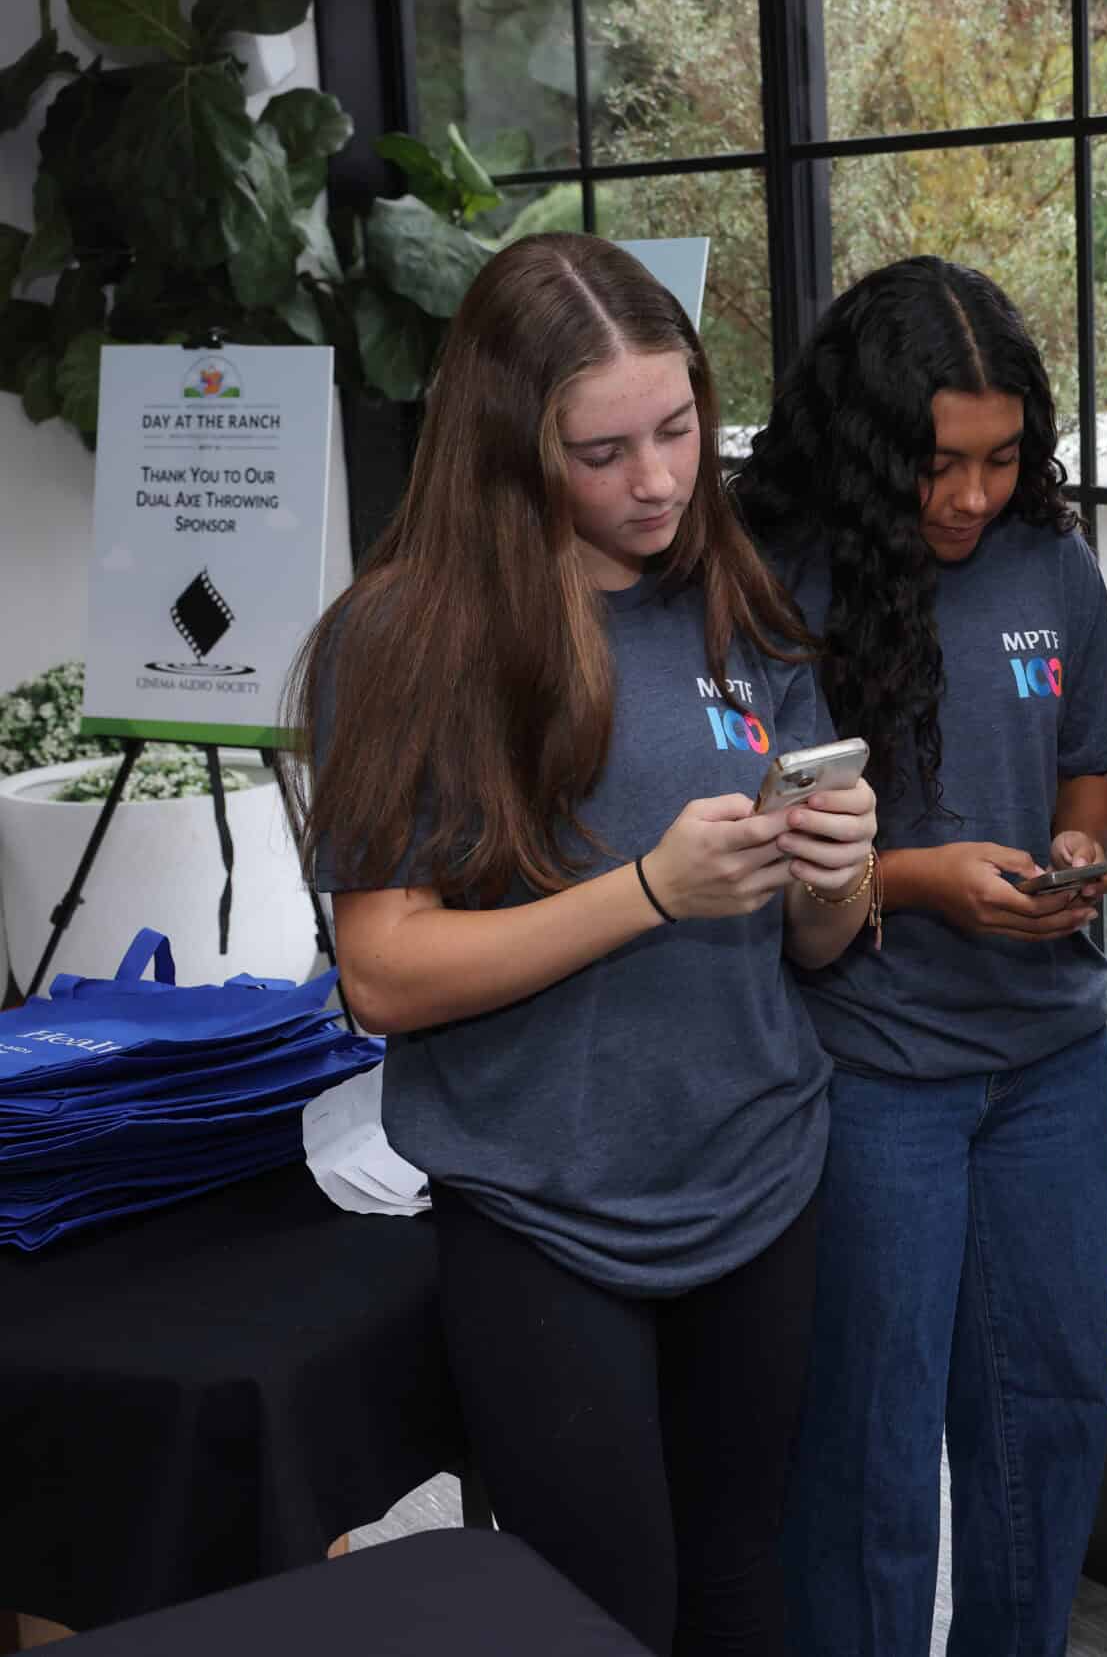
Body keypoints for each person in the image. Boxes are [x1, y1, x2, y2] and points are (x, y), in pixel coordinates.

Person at [290, 233, 878, 1657]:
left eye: (678, 428)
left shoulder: (732, 588)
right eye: (603, 451)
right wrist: (652, 892)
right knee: (603, 1617)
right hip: (545, 1218)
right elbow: (382, 972)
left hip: (762, 1178)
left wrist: (834, 873)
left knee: (747, 1587)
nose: (660, 481)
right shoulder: (405, 640)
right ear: (509, 443)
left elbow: (815, 952)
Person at [735, 256, 1107, 1657]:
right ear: (874, 446)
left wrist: (1077, 854)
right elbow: (766, 843)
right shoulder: (786, 582)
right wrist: (927, 882)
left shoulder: (1055, 562)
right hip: (875, 1070)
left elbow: (1090, 765)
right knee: (874, 1446)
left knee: (1049, 1417)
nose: (971, 495)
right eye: (941, 465)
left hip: (1049, 1065)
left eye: (1003, 459)